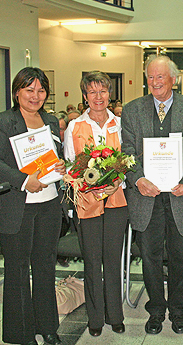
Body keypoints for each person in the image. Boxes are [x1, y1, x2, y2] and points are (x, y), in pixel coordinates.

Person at [121, 55, 183, 335]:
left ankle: (178, 310)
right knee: (150, 256)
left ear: (173, 78)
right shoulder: (132, 110)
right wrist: (138, 179)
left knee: (180, 256)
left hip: (181, 195)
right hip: (146, 197)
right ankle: (156, 309)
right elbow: (127, 152)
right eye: (150, 77)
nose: (155, 82)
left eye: (160, 77)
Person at [0, 67, 66, 345]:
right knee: (18, 270)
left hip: (49, 205)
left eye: (41, 90)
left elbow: (57, 154)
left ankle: (48, 327)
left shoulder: (51, 121)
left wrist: (61, 164)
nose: (36, 96)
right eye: (29, 89)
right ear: (17, 91)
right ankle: (21, 333)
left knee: (45, 267)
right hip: (17, 207)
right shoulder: (1, 121)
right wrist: (23, 181)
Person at [63, 71, 128, 337]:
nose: (98, 97)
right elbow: (69, 164)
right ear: (85, 96)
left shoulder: (120, 123)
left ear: (109, 94)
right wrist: (84, 182)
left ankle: (115, 315)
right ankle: (95, 319)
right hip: (86, 202)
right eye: (92, 92)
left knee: (113, 260)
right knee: (91, 261)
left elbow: (128, 158)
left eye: (102, 91)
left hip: (116, 199)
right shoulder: (74, 127)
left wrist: (117, 180)